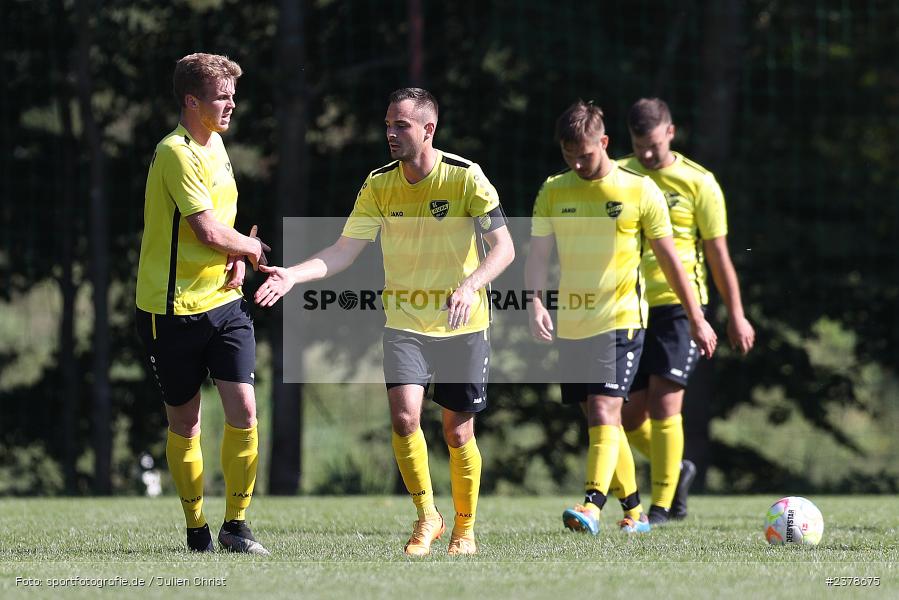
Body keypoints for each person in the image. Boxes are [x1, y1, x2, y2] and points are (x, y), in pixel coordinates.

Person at [254, 88, 514, 556]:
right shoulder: (377, 184)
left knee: (458, 432)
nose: (391, 134)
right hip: (405, 323)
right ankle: (426, 517)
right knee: (404, 417)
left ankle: (465, 529)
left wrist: (470, 284)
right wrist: (293, 274)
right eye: (388, 125)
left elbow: (505, 248)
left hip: (463, 322)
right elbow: (343, 250)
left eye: (402, 126)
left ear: (428, 130)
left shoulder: (466, 178)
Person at [525, 100, 716, 535]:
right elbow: (537, 255)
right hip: (572, 323)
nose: (577, 162)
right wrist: (535, 302)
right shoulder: (553, 190)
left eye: (585, 154)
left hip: (622, 319)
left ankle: (593, 504)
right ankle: (635, 512)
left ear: (604, 143)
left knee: (604, 411)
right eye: (568, 154)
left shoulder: (639, 191)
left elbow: (671, 263)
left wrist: (696, 319)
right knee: (601, 420)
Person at [135, 53, 271, 554]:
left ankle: (237, 525)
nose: (232, 102)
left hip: (224, 303)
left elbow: (222, 226)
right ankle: (197, 530)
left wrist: (235, 260)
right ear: (192, 101)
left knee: (244, 410)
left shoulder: (217, 146)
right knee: (185, 423)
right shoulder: (175, 152)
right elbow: (206, 229)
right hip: (170, 310)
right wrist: (252, 249)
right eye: (221, 95)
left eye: (233, 93)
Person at [617, 98, 755, 524]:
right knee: (626, 416)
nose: (646, 155)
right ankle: (675, 470)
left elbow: (719, 256)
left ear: (671, 133)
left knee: (665, 405)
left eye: (654, 145)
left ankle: (661, 506)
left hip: (681, 306)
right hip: (629, 305)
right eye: (639, 146)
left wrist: (736, 313)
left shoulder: (700, 183)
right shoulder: (619, 175)